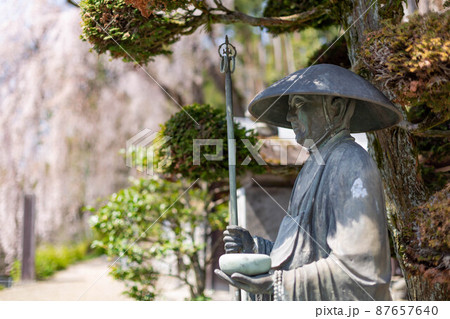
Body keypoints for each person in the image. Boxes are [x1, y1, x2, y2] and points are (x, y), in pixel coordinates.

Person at [214, 64, 402, 301]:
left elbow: (362, 269)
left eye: (300, 104)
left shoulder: (351, 161)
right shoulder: (312, 165)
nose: (289, 116)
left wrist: (279, 283)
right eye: (290, 107)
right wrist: (256, 250)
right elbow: (306, 252)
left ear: (336, 107)